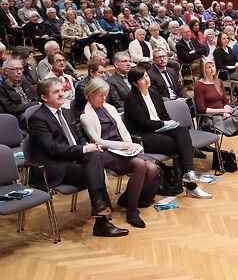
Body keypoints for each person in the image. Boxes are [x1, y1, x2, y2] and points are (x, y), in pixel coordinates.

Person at [28, 78, 129, 237]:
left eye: (62, 90)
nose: (61, 94)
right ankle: (101, 220)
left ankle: (99, 209)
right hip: (56, 166)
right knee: (95, 172)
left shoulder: (66, 112)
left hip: (73, 158)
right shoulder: (37, 118)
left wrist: (88, 147)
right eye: (56, 92)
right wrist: (83, 149)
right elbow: (52, 149)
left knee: (95, 156)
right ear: (44, 97)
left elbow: (79, 137)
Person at [80, 77, 159, 228]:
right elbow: (98, 141)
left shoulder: (110, 108)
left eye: (105, 95)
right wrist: (124, 145)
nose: (103, 98)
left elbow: (123, 130)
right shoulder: (85, 115)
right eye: (100, 95)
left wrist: (132, 145)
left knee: (153, 168)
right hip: (104, 151)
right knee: (140, 165)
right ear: (90, 94)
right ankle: (132, 211)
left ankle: (126, 198)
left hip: (122, 147)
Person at [123, 67, 211, 199]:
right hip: (142, 135)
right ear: (135, 83)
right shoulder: (131, 99)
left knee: (181, 131)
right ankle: (191, 184)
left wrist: (170, 122)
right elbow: (143, 124)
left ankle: (189, 172)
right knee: (182, 146)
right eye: (142, 78)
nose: (146, 79)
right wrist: (165, 124)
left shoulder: (154, 94)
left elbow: (164, 115)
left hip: (159, 129)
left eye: (146, 76)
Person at [0, 58, 38, 129]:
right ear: (6, 71)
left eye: (21, 69)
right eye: (15, 69)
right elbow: (13, 108)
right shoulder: (2, 89)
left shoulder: (24, 83)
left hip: (33, 110)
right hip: (19, 117)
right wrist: (35, 104)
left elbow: (34, 98)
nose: (19, 72)